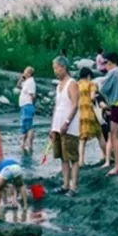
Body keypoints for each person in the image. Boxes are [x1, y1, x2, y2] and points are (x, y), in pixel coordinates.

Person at [50, 57, 81, 194]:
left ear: (63, 67)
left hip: (70, 128)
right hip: (58, 127)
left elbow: (75, 105)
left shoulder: (72, 83)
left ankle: (73, 187)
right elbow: (57, 108)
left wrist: (67, 122)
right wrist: (52, 128)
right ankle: (65, 185)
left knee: (72, 157)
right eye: (54, 68)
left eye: (56, 68)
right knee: (62, 157)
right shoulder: (59, 86)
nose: (55, 71)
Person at [77, 67, 105, 166]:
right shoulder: (91, 84)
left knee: (82, 139)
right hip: (90, 112)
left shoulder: (77, 85)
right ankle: (106, 156)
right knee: (99, 134)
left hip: (80, 114)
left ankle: (81, 161)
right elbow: (93, 97)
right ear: (88, 76)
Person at [17, 66, 37, 153]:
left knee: (29, 126)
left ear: (29, 73)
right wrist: (21, 79)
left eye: (25, 71)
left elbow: (33, 95)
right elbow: (18, 86)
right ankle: (23, 145)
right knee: (24, 126)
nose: (23, 72)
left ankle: (29, 145)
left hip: (28, 105)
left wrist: (32, 105)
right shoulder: (26, 81)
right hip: (24, 106)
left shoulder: (31, 82)